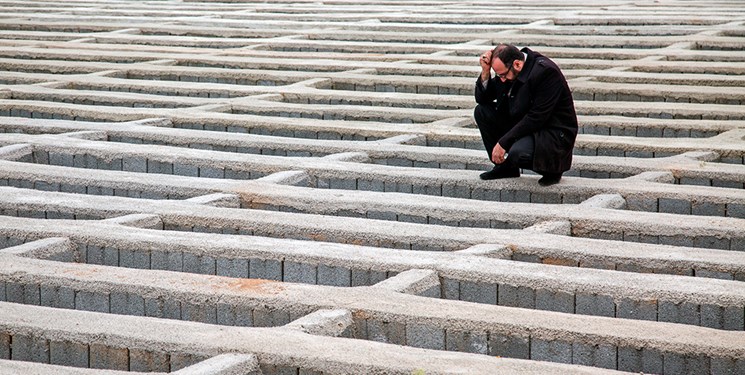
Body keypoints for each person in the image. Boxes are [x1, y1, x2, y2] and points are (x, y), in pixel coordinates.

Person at [474, 44, 578, 186]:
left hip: (552, 133)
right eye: (499, 75)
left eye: (503, 75)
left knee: (518, 154)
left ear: (517, 64)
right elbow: (482, 99)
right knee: (482, 112)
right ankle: (505, 168)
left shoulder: (546, 72)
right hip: (526, 126)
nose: (501, 79)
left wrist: (503, 143)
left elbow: (537, 117)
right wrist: (485, 72)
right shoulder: (509, 71)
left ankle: (552, 170)